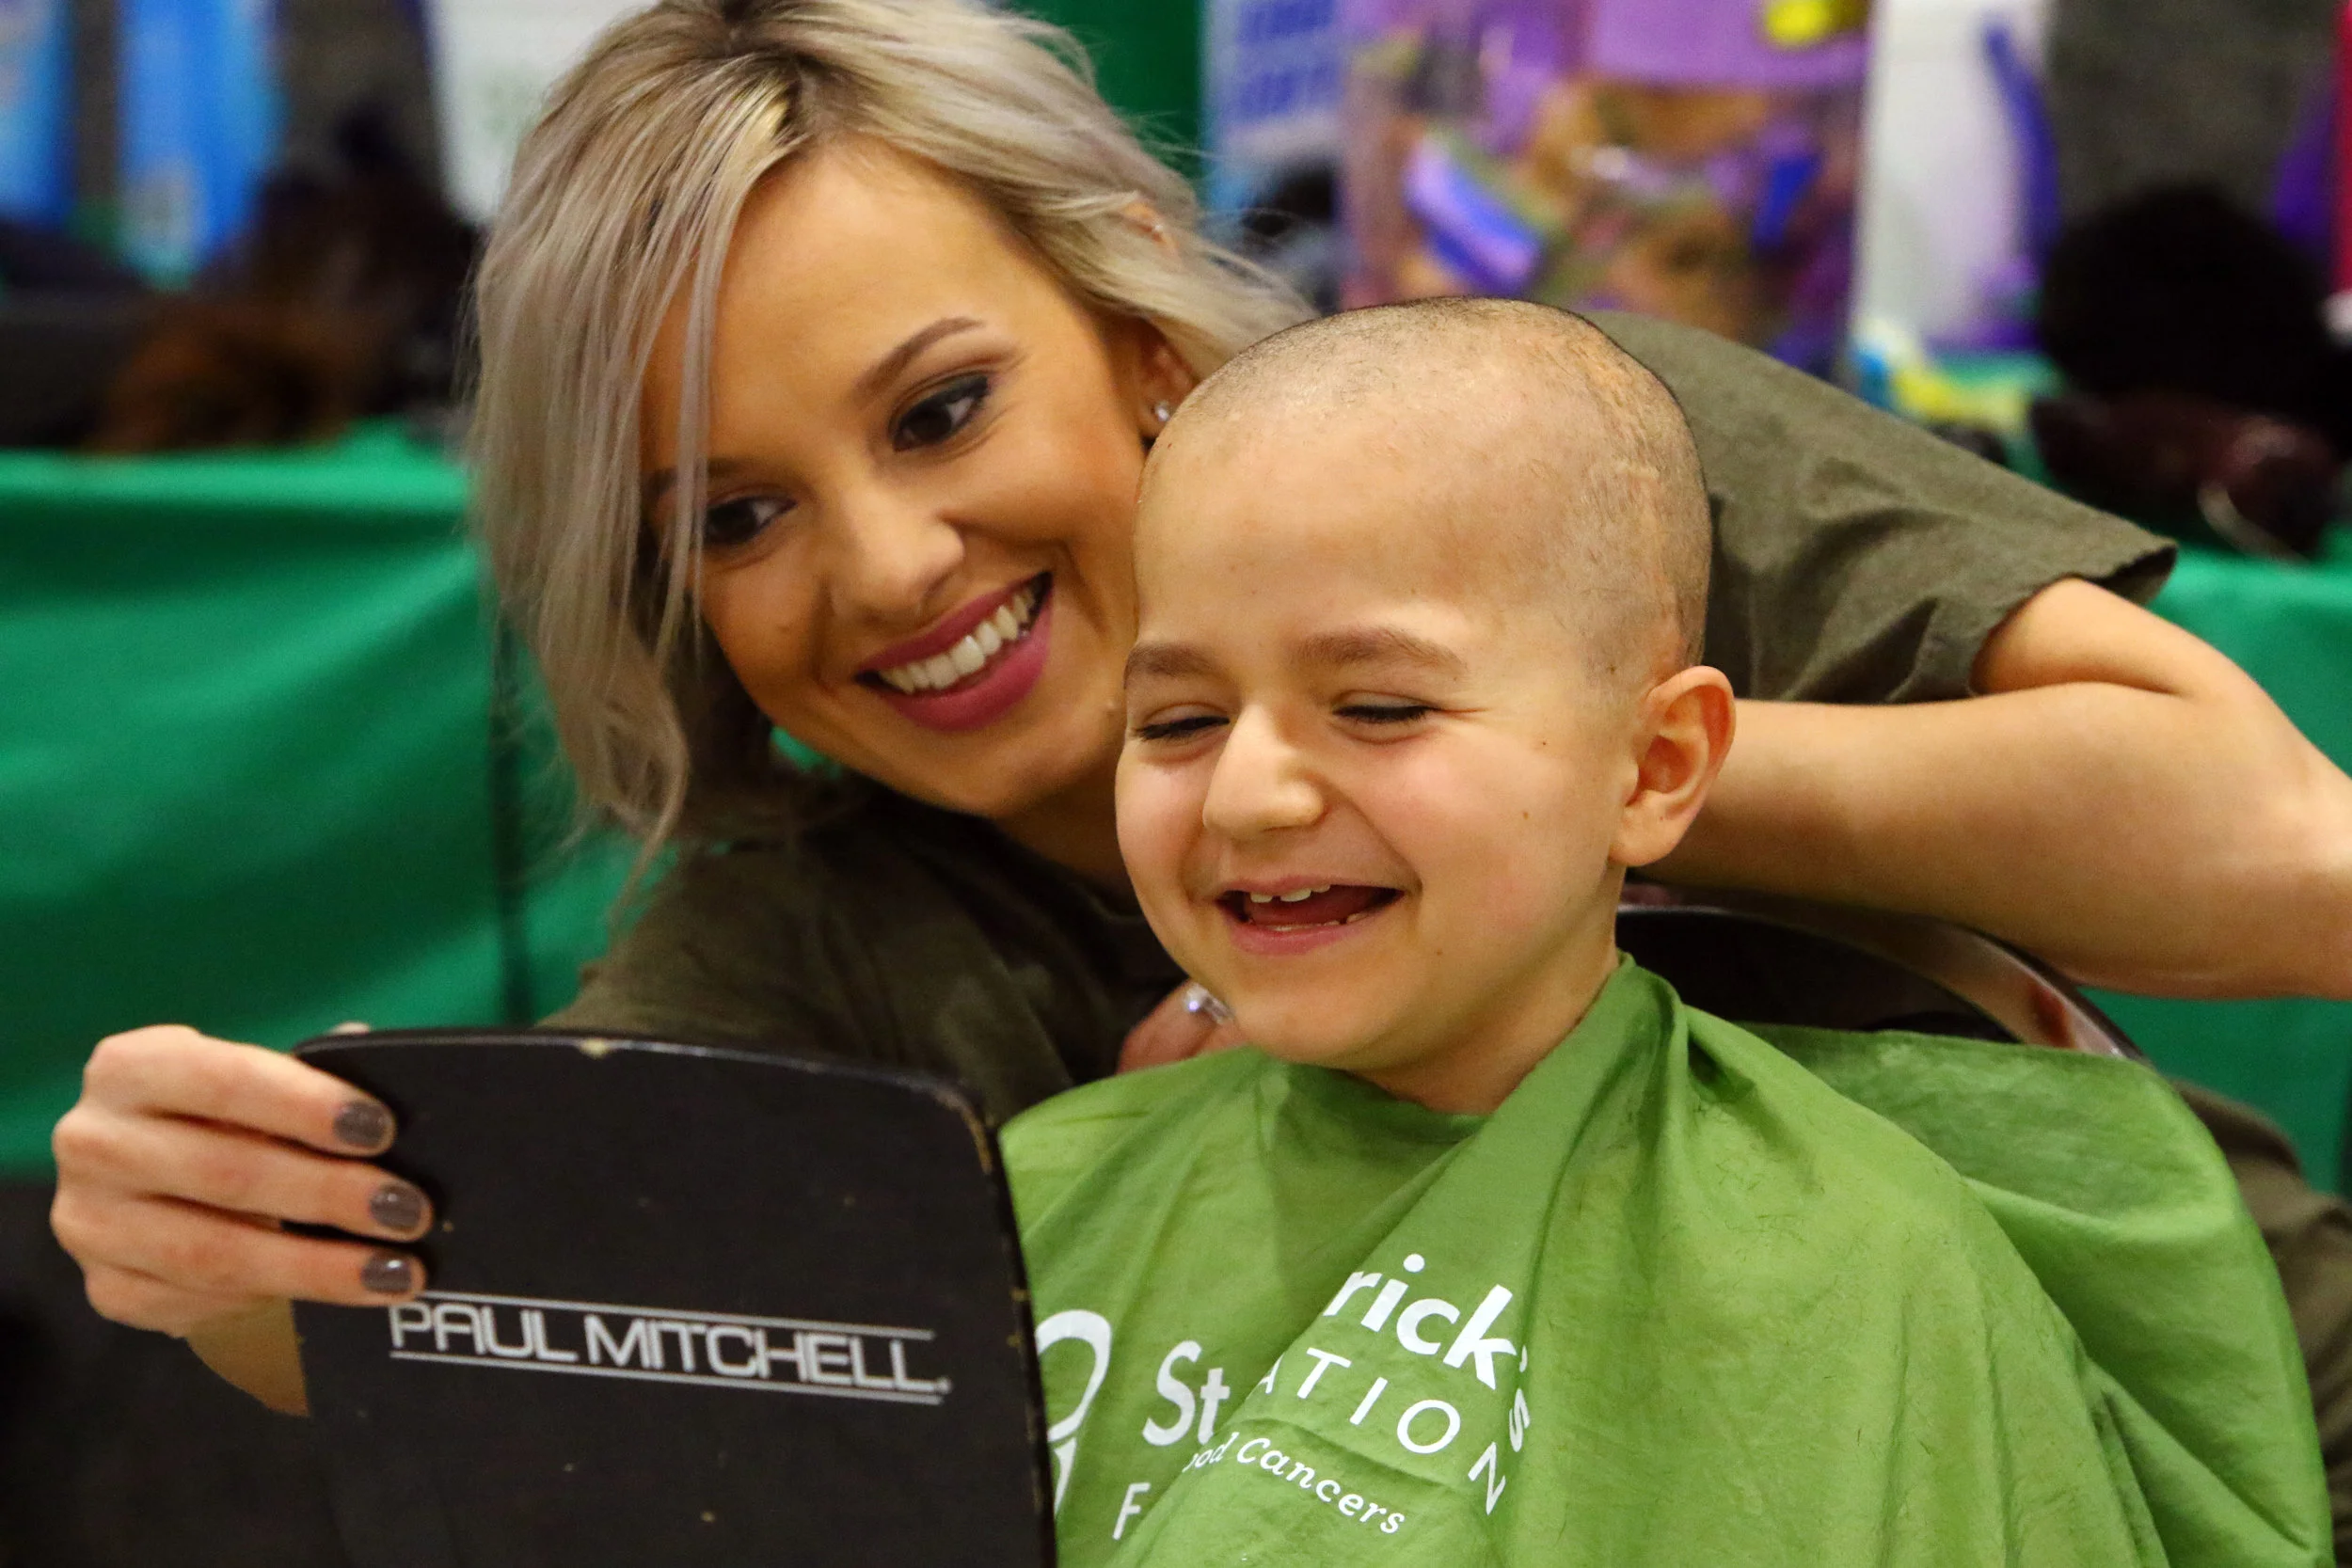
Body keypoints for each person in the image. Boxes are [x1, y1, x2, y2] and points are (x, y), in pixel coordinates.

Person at [42, 0, 2352, 1447]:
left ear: (1141, 338)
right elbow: (542, 1307)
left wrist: (1504, 781)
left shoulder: (1538, 456)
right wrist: (252, 1248)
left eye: (941, 408)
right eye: (736, 512)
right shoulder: (811, 929)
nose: (885, 565)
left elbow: (2289, 864)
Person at [1008, 296, 2322, 1566]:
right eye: (1176, 722)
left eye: (1381, 707)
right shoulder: (1038, 1201)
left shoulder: (1860, 1265)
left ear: (1654, 767)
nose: (1247, 791)